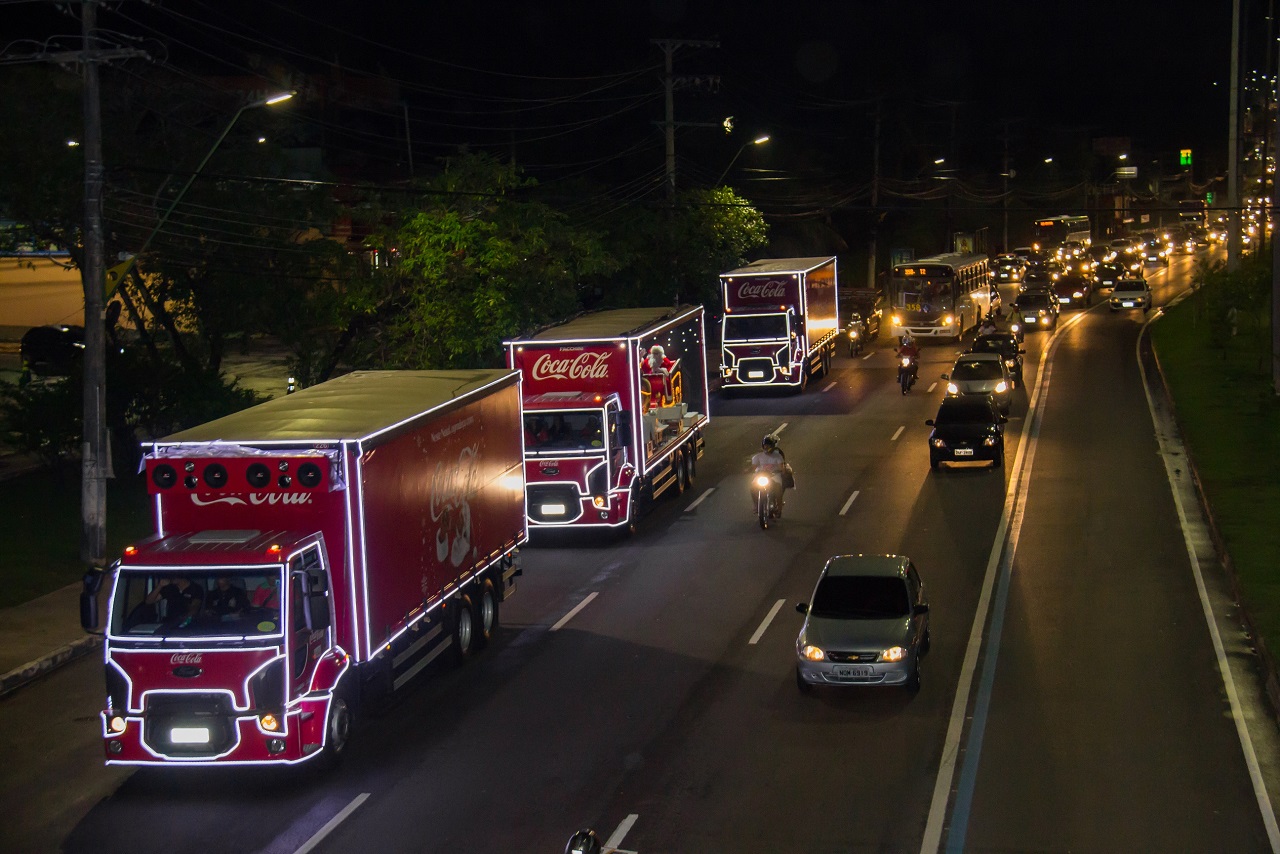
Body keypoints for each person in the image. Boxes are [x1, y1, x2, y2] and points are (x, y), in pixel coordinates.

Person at [750, 434, 790, 516]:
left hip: (774, 476)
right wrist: (748, 470)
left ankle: (779, 509)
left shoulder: (778, 456)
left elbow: (781, 467)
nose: (766, 447)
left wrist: (783, 471)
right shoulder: (757, 457)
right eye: (765, 445)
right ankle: (756, 505)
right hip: (761, 476)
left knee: (778, 489)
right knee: (753, 487)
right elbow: (753, 467)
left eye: (768, 445)